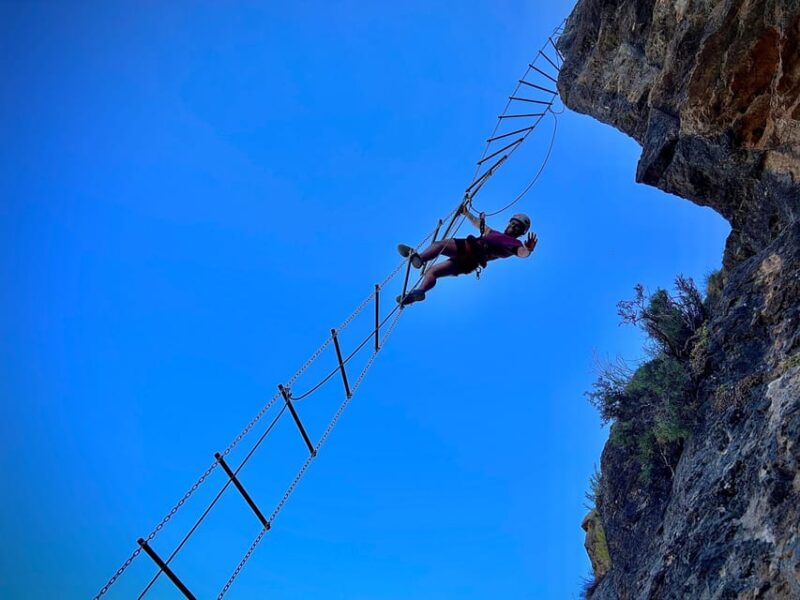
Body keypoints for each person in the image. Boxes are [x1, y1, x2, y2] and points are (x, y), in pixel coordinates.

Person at [396, 206, 538, 306]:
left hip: (474, 248)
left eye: (517, 227)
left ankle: (420, 258)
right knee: (432, 272)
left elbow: (521, 253)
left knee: (439, 245)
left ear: (521, 232)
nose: (513, 227)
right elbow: (479, 225)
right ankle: (420, 292)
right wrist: (466, 213)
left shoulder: (515, 244)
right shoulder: (494, 233)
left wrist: (528, 250)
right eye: (512, 224)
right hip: (471, 263)